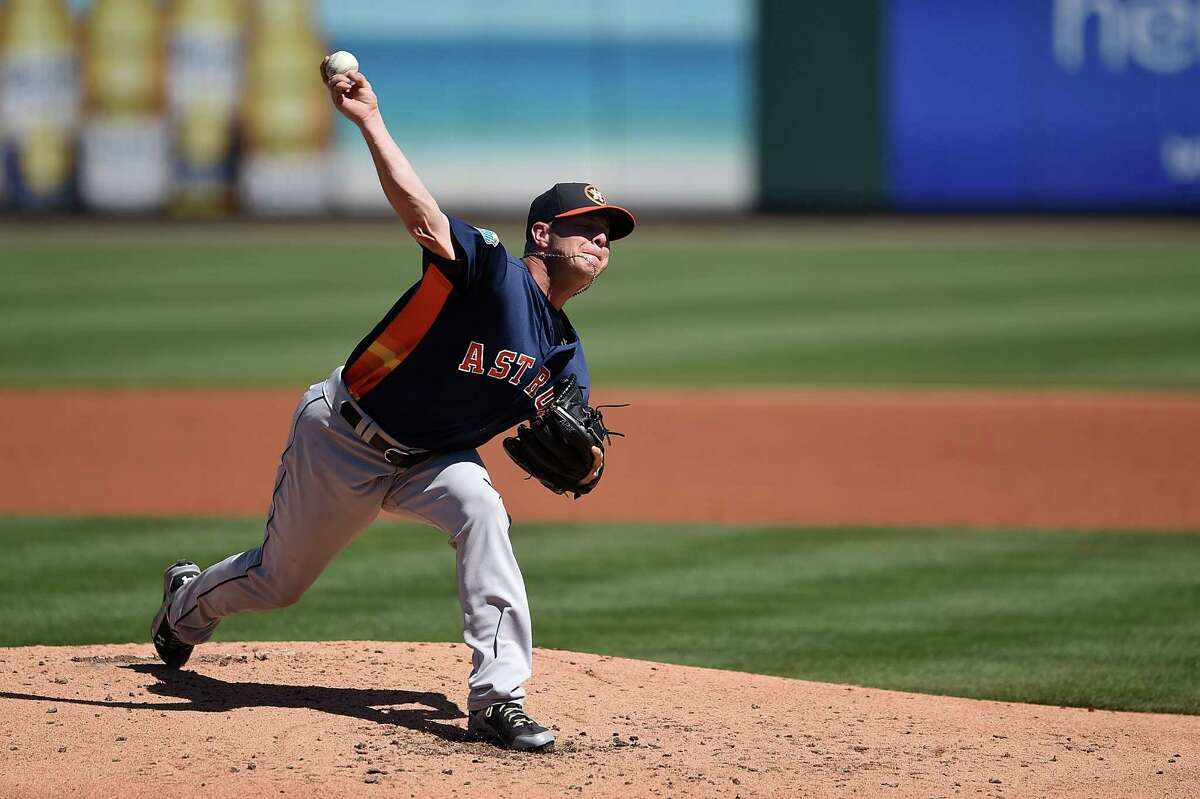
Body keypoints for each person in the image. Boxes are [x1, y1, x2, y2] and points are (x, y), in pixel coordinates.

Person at [149, 60, 636, 753]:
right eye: (586, 225)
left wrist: (588, 469)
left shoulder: (563, 349)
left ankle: (498, 697)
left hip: (432, 460)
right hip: (343, 434)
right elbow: (422, 213)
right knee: (277, 580)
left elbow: (579, 446)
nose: (600, 240)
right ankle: (185, 603)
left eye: (608, 233)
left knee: (482, 507)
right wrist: (369, 119)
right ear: (541, 234)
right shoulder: (492, 272)